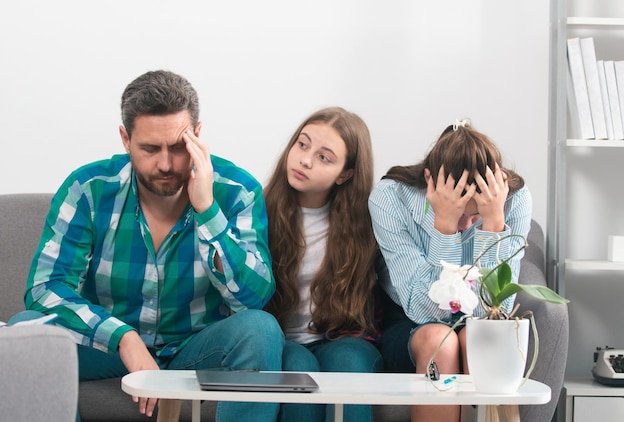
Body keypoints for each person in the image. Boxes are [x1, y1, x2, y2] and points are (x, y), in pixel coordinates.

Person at [23, 70, 284, 421]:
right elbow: (44, 289)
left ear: (198, 136)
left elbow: (253, 298)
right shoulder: (88, 188)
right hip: (109, 346)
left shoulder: (236, 190)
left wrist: (207, 211)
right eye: (149, 148)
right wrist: (123, 338)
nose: (165, 164)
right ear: (125, 139)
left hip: (195, 346)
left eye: (178, 147)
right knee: (28, 331)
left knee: (260, 329)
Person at [368, 119, 531, 422]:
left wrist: (493, 225)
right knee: (439, 341)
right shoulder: (391, 198)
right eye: (461, 215)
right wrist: (444, 226)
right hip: (409, 320)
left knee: (483, 340)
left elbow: (496, 313)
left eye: (476, 216)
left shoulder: (515, 200)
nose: (468, 227)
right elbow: (423, 310)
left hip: (478, 321)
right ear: (430, 180)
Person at [263, 107, 384, 422]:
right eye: (302, 145)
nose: (305, 160)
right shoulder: (258, 209)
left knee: (348, 363)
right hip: (285, 341)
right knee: (298, 370)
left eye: (324, 157)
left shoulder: (368, 224)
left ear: (345, 174)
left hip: (342, 337)